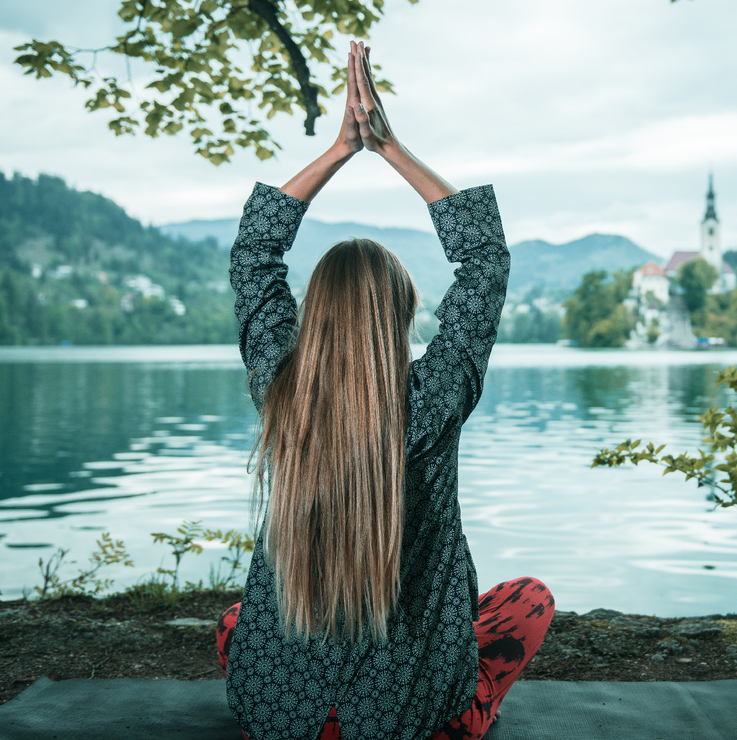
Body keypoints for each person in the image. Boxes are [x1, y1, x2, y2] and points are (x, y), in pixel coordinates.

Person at [215, 41, 554, 740]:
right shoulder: (431, 403)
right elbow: (484, 257)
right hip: (408, 720)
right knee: (528, 601)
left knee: (237, 621)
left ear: (314, 318)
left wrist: (340, 148)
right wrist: (388, 147)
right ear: (398, 317)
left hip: (276, 716)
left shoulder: (280, 389)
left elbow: (253, 253)